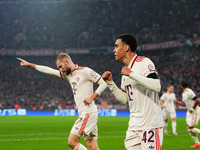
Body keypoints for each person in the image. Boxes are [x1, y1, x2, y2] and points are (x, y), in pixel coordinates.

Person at [17, 53, 107, 150]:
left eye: (60, 66)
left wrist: (92, 97)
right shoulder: (68, 75)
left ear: (67, 62)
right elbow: (50, 71)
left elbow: (103, 83)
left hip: (88, 112)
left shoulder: (85, 71)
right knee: (92, 147)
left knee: (72, 142)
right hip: (85, 112)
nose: (60, 70)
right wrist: (30, 65)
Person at [102, 34, 163, 150]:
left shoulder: (144, 62)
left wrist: (131, 74)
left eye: (116, 46)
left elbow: (156, 86)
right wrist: (110, 83)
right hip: (134, 125)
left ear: (126, 48)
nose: (114, 50)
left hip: (150, 125)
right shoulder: (125, 72)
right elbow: (124, 99)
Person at [175, 81, 200, 148]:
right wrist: (177, 102)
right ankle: (197, 143)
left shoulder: (189, 91)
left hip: (195, 111)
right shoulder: (184, 94)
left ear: (181, 86)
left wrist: (192, 108)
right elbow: (184, 104)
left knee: (191, 128)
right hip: (189, 112)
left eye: (180, 85)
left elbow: (197, 100)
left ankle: (197, 143)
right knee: (189, 128)